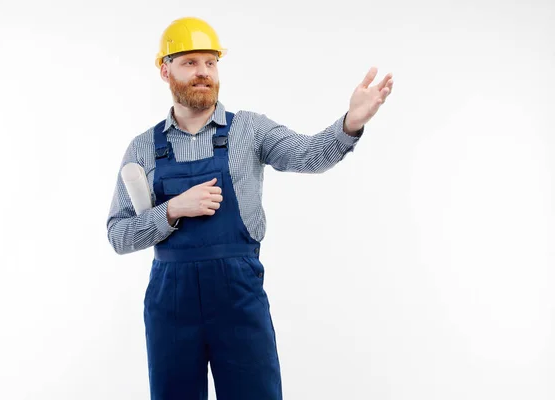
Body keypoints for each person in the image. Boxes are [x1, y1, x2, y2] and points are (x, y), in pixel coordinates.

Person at [106, 16, 393, 400]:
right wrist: (172, 209)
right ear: (165, 69)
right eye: (190, 62)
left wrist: (351, 122)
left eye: (210, 62)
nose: (203, 72)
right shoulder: (142, 148)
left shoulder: (249, 130)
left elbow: (308, 155)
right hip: (170, 305)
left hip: (238, 299)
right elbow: (118, 235)